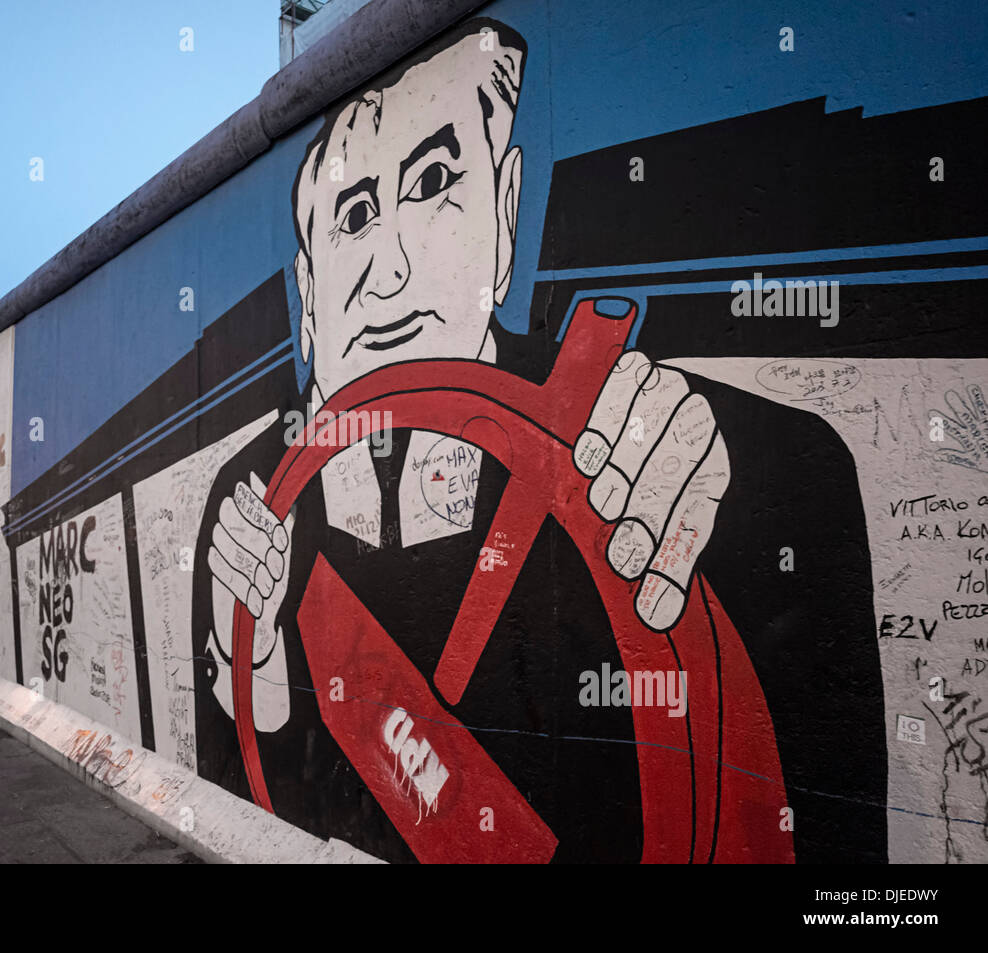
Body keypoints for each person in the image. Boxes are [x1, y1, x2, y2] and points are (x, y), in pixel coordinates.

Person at [192, 17, 884, 863]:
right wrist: (261, 686)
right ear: (307, 290)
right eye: (355, 214)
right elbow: (230, 810)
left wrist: (723, 490)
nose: (390, 267)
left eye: (434, 180)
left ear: (506, 212)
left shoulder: (638, 434)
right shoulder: (253, 506)